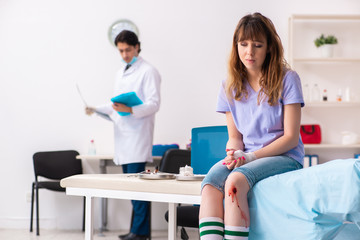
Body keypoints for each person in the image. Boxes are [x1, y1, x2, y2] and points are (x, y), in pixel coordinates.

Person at [198, 13, 304, 240]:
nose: (249, 51)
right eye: (243, 44)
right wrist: (233, 153)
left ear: (269, 48)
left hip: (285, 157)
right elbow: (235, 136)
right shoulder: (229, 86)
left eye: (257, 45)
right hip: (247, 157)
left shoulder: (288, 79)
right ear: (236, 46)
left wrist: (250, 157)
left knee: (234, 182)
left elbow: (291, 138)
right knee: (210, 184)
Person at [86, 30, 161, 240]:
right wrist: (96, 109)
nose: (125, 54)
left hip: (138, 138)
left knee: (138, 189)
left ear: (137, 47)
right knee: (131, 188)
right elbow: (114, 106)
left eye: (128, 49)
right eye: (121, 50)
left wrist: (130, 110)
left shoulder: (148, 71)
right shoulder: (121, 72)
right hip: (123, 138)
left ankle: (140, 233)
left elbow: (154, 104)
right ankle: (136, 230)